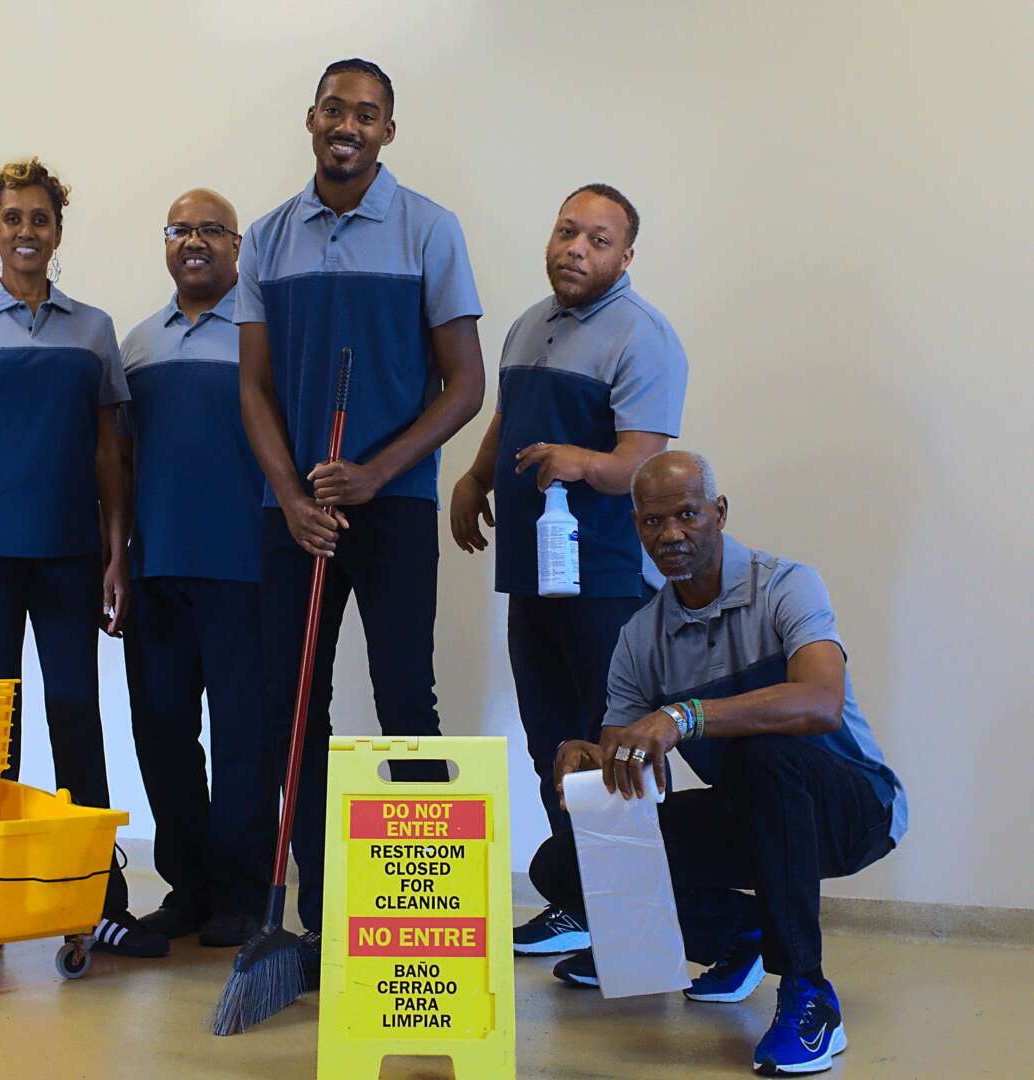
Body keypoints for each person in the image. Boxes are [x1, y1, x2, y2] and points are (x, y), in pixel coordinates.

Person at [542, 450, 907, 1075]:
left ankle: (809, 993)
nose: (671, 534)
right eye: (653, 521)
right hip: (755, 813)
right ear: (637, 527)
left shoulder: (786, 585)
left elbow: (821, 702)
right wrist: (585, 758)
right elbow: (623, 764)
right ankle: (742, 934)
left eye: (687, 514)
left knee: (764, 754)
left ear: (719, 512)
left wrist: (685, 716)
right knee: (565, 859)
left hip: (854, 811)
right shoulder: (640, 636)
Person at [236, 59, 486, 951]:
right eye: (335, 109)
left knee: (405, 700)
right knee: (292, 705)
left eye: (367, 114)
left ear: (388, 131)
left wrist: (377, 474)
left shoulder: (429, 229)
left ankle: (424, 914)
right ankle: (317, 915)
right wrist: (288, 495)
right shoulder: (267, 238)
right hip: (294, 513)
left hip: (393, 505)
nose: (348, 125)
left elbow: (466, 386)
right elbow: (253, 387)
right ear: (311, 118)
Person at [0, 157, 167, 958]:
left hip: (69, 559)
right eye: (12, 218)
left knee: (76, 717)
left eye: (40, 219)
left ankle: (97, 901)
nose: (27, 231)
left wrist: (116, 554)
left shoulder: (92, 329)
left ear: (58, 232)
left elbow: (110, 454)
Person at [450, 184, 687, 956]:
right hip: (533, 577)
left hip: (608, 584)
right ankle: (580, 907)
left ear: (626, 255)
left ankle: (636, 929)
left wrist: (583, 461)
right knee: (551, 744)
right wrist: (475, 478)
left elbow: (644, 465)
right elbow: (505, 417)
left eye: (597, 240)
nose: (575, 250)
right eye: (565, 232)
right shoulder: (527, 325)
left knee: (613, 750)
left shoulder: (643, 336)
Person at [118, 188, 273, 947]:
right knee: (163, 734)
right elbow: (118, 463)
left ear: (237, 246)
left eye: (212, 229)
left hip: (246, 568)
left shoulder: (262, 333)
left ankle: (241, 896)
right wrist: (117, 559)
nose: (195, 241)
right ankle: (188, 889)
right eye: (180, 228)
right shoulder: (138, 346)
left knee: (244, 738)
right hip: (155, 571)